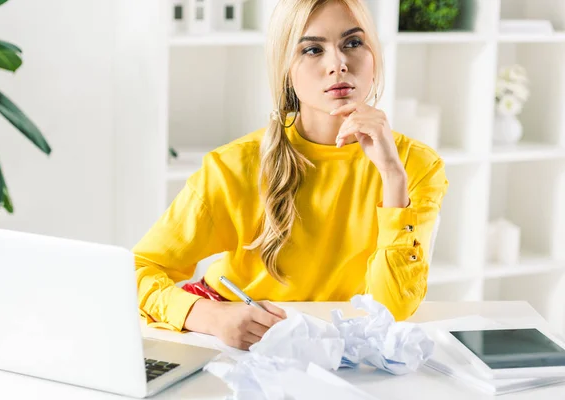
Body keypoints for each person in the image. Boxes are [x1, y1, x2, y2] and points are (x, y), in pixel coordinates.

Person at [133, 0, 449, 351]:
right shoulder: (234, 166)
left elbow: (392, 309)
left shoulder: (416, 167)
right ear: (286, 69)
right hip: (240, 343)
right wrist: (211, 317)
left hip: (341, 349)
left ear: (374, 57)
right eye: (313, 49)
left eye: (353, 43)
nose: (338, 64)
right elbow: (137, 270)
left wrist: (392, 176)